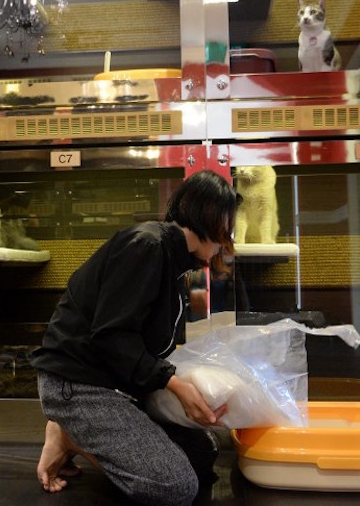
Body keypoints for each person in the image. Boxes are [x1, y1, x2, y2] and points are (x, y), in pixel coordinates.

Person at [30, 169, 241, 506]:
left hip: (116, 384)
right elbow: (112, 338)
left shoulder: (174, 260)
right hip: (80, 384)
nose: (227, 238)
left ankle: (76, 434)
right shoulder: (146, 246)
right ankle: (70, 436)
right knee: (176, 487)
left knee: (203, 455)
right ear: (212, 218)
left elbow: (150, 345)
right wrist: (175, 384)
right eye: (227, 227)